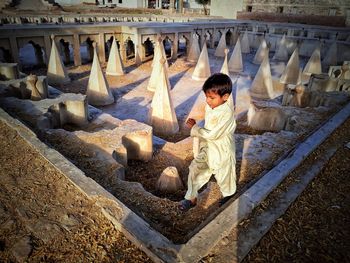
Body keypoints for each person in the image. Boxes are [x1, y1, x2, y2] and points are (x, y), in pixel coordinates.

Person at [178, 73, 237, 212]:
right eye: (206, 97)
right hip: (208, 147)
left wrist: (194, 128)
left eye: (212, 97)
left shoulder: (226, 113)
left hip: (222, 149)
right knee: (195, 169)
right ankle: (191, 198)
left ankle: (229, 194)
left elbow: (213, 134)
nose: (208, 101)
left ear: (225, 97)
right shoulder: (210, 106)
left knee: (224, 175)